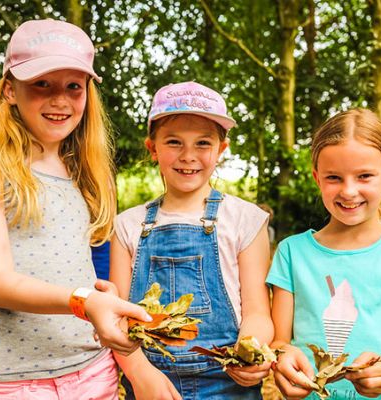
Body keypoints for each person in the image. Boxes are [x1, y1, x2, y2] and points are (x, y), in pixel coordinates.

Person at [0, 19, 152, 399]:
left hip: (94, 373)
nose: (60, 100)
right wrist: (85, 302)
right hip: (16, 385)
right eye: (41, 84)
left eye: (73, 86)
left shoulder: (88, 174)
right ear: (10, 90)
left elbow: (95, 272)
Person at [267, 108, 381, 400]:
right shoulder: (292, 253)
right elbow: (279, 342)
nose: (349, 191)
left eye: (364, 176)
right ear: (317, 178)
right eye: (334, 177)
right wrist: (283, 360)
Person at [110, 81, 274, 399]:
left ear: (221, 150)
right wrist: (139, 374)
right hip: (150, 383)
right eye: (174, 142)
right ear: (153, 148)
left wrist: (250, 351)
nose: (188, 156)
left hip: (228, 383)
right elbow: (119, 318)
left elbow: (258, 313)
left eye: (202, 143)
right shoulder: (128, 225)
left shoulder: (245, 219)